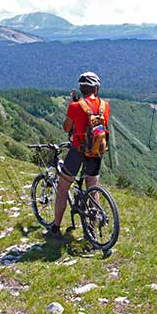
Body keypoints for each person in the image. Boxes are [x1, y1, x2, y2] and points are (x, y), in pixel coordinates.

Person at [45, 71, 110, 239]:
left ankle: (55, 227)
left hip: (77, 152)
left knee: (62, 187)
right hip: (96, 150)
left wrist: (73, 105)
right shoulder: (105, 105)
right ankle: (92, 229)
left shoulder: (75, 106)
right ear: (96, 88)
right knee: (92, 187)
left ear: (81, 89)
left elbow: (67, 128)